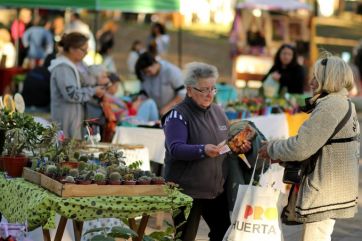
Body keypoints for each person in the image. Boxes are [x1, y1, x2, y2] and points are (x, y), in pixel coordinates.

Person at [258, 54, 360, 241]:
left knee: (315, 237)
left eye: (316, 77)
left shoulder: (330, 106)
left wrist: (271, 148)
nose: (311, 82)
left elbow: (301, 147)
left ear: (328, 79)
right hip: (335, 187)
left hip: (326, 189)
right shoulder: (342, 102)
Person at [162, 62, 251, 241]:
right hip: (186, 190)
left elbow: (225, 145)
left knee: (223, 234)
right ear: (189, 90)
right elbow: (175, 148)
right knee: (184, 237)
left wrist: (238, 148)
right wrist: (202, 150)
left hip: (215, 189)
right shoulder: (177, 115)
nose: (210, 94)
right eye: (203, 90)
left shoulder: (218, 111)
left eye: (213, 88)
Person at [48, 32, 105, 140]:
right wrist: (93, 91)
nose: (86, 53)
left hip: (72, 121)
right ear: (72, 49)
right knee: (65, 153)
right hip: (66, 121)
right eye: (83, 50)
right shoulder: (63, 68)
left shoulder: (74, 65)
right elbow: (72, 94)